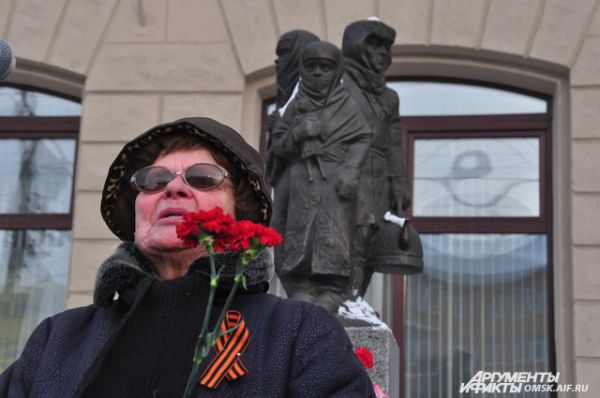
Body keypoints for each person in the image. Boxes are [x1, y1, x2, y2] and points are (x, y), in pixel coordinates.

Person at [0, 117, 375, 397]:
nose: (174, 189)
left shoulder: (297, 331)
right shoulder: (58, 339)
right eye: (154, 180)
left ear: (238, 213)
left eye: (202, 178)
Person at [269, 42, 372, 312]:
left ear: (337, 71)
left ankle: (332, 288)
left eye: (324, 68)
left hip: (337, 184)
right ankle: (300, 285)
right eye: (311, 66)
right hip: (301, 181)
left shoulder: (347, 103)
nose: (317, 73)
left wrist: (351, 171)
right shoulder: (295, 104)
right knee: (300, 232)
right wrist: (298, 133)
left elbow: (362, 137)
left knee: (333, 234)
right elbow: (278, 143)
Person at [342, 19, 412, 296]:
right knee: (349, 238)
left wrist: (399, 184)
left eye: (385, 47)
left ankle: (356, 297)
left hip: (379, 175)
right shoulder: (339, 84)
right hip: (348, 170)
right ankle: (343, 296)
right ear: (356, 47)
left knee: (372, 240)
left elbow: (394, 142)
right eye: (374, 45)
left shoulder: (389, 97)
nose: (382, 53)